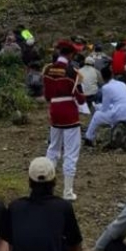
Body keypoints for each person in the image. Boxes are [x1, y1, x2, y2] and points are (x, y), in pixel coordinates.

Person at [0, 157, 83, 251]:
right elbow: (77, 250)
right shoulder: (63, 207)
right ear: (54, 181)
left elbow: (11, 246)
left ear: (29, 182)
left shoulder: (15, 207)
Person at [43, 40, 86, 201]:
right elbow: (80, 100)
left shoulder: (47, 69)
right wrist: (83, 96)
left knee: (53, 149)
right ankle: (67, 191)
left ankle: (45, 184)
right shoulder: (71, 71)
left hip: (54, 111)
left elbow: (47, 96)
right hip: (69, 113)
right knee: (71, 153)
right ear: (71, 54)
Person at [85, 65, 126, 146]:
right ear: (112, 74)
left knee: (97, 115)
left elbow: (104, 109)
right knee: (111, 111)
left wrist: (97, 106)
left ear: (102, 77)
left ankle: (88, 137)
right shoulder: (122, 83)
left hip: (120, 114)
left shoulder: (106, 87)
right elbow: (116, 103)